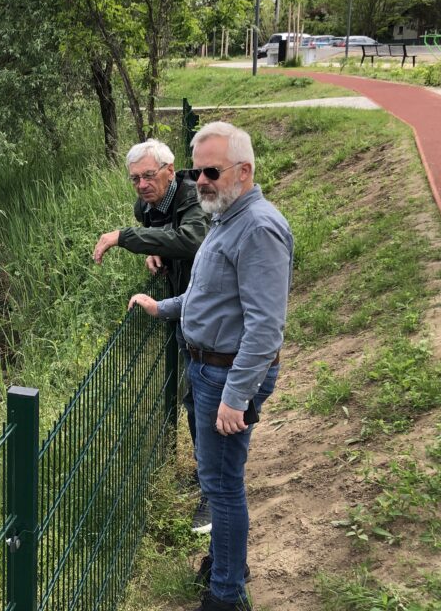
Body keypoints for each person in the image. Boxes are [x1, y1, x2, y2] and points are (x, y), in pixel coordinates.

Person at [127, 122, 293, 611]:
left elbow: (265, 327)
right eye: (196, 171)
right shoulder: (224, 218)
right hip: (210, 368)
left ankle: (226, 594)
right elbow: (207, 295)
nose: (200, 181)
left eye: (212, 172)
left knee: (221, 486)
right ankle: (225, 564)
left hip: (227, 374)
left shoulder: (258, 228)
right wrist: (163, 308)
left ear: (244, 171)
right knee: (218, 479)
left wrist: (235, 397)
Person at [92, 139, 210, 529]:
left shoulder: (193, 197)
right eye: (135, 179)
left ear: (169, 170)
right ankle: (207, 473)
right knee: (194, 395)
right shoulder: (146, 207)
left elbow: (191, 239)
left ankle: (215, 491)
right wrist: (155, 252)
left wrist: (127, 238)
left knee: (206, 397)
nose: (142, 185)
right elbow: (166, 237)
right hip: (183, 306)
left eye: (148, 175)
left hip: (212, 309)